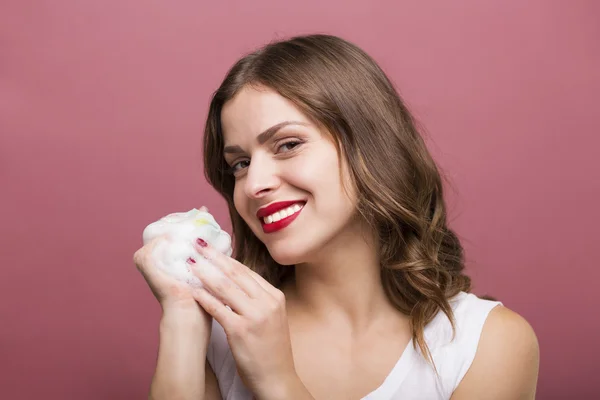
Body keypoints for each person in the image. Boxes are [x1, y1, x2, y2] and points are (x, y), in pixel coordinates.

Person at [134, 34, 540, 399]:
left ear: (373, 147)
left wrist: (277, 381)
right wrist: (183, 317)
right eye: (239, 164)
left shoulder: (485, 343)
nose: (253, 183)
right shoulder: (216, 337)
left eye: (288, 144)